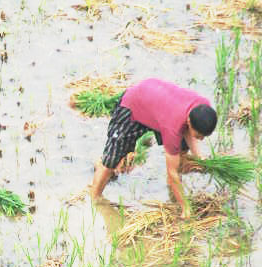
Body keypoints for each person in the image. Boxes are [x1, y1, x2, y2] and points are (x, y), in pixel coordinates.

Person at [90, 78, 217, 218]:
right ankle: (95, 200)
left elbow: (188, 132)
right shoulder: (172, 127)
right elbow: (172, 172)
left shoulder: (204, 108)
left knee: (182, 148)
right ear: (188, 121)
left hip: (158, 104)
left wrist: (198, 156)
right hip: (133, 105)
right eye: (198, 135)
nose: (201, 139)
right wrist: (185, 208)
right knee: (111, 161)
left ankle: (174, 190)